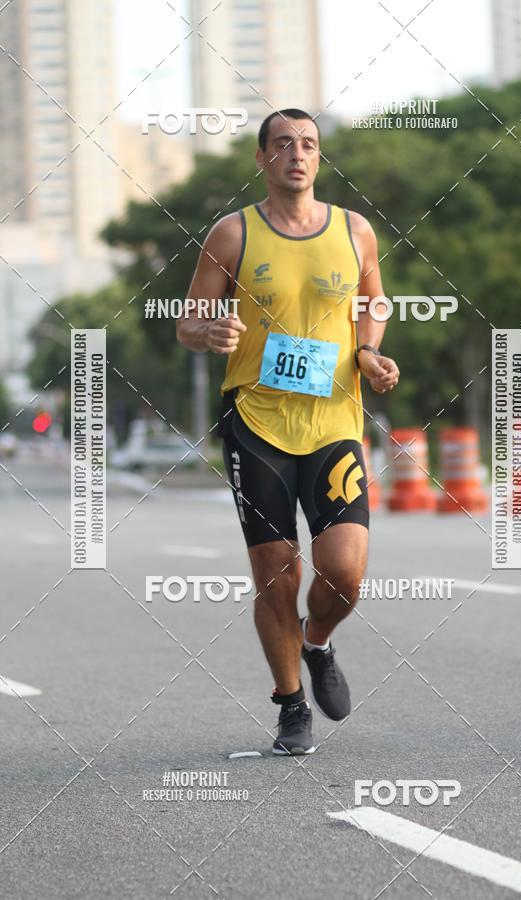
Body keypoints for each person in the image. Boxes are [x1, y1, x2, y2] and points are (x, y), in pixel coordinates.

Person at [177, 108, 399, 754]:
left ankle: (317, 643)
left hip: (333, 421)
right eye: (282, 145)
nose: (296, 154)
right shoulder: (231, 234)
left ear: (319, 158)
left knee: (345, 573)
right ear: (262, 159)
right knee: (278, 575)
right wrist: (208, 331)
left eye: (307, 144)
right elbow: (188, 321)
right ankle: (290, 704)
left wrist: (367, 351)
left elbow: (373, 303)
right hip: (257, 424)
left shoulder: (354, 231)